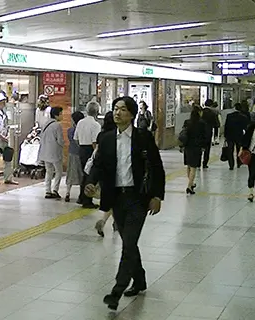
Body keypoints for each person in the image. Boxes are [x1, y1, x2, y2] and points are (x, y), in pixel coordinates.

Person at [85, 96, 165, 311]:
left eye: (122, 109)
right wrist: (91, 182)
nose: (117, 113)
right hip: (116, 198)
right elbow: (99, 164)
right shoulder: (106, 138)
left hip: (138, 198)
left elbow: (157, 167)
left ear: (131, 114)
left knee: (128, 244)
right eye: (115, 109)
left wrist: (157, 196)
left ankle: (117, 290)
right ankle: (139, 280)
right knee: (130, 242)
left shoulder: (143, 138)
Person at [94, 111, 118, 237]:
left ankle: (115, 222)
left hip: (103, 172)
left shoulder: (101, 135)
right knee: (114, 200)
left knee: (111, 198)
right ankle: (105, 221)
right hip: (115, 171)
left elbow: (97, 152)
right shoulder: (116, 135)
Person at [74, 101, 101, 208]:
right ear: (97, 112)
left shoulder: (80, 122)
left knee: (84, 174)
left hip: (82, 149)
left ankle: (81, 197)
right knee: (90, 176)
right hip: (91, 150)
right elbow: (95, 142)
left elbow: (75, 138)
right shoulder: (96, 125)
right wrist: (96, 154)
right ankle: (87, 200)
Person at [0, 92, 18, 185]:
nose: (3, 104)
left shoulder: (4, 112)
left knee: (8, 158)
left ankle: (8, 177)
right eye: (2, 102)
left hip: (5, 139)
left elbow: (7, 125)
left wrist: (7, 136)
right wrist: (2, 136)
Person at [38, 107, 64, 199]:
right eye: (61, 114)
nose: (62, 115)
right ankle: (55, 190)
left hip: (45, 152)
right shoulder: (57, 125)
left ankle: (47, 191)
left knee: (48, 171)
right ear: (56, 115)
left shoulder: (46, 123)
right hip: (55, 152)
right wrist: (63, 146)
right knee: (58, 171)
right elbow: (60, 140)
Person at [182, 106, 208, 195]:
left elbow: (183, 134)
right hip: (197, 147)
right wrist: (204, 146)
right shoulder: (202, 123)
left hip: (187, 147)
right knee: (193, 167)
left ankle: (191, 183)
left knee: (189, 166)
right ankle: (189, 186)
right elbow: (205, 136)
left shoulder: (187, 122)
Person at [240, 110, 255, 202]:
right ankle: (250, 192)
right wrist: (242, 149)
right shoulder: (251, 128)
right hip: (252, 154)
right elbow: (245, 139)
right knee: (252, 173)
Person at [65, 111, 85, 202]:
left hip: (72, 153)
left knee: (70, 173)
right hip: (81, 153)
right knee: (82, 174)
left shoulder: (70, 130)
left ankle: (67, 193)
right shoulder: (82, 130)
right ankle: (81, 195)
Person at [224, 103, 249, 170]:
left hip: (230, 136)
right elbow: (245, 128)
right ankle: (239, 163)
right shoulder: (243, 117)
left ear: (234, 108)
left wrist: (225, 136)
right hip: (239, 136)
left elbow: (226, 126)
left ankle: (231, 165)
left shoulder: (229, 116)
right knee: (239, 150)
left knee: (230, 151)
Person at [201, 99, 217, 168]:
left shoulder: (201, 112)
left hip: (200, 133)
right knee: (207, 149)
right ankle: (205, 163)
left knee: (199, 147)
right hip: (208, 133)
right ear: (211, 105)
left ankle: (198, 162)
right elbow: (216, 124)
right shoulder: (212, 113)